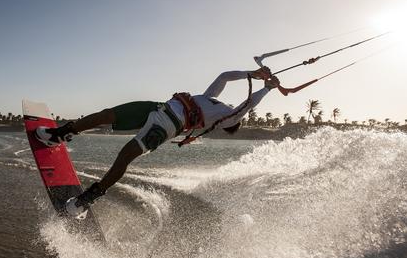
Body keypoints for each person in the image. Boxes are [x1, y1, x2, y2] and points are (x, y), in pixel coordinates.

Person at [35, 67, 279, 217]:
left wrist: (267, 88)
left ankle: (86, 199)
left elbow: (248, 105)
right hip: (157, 108)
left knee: (125, 156)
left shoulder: (227, 118)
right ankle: (61, 134)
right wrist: (251, 73)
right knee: (106, 115)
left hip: (165, 127)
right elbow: (224, 76)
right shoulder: (210, 98)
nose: (235, 110)